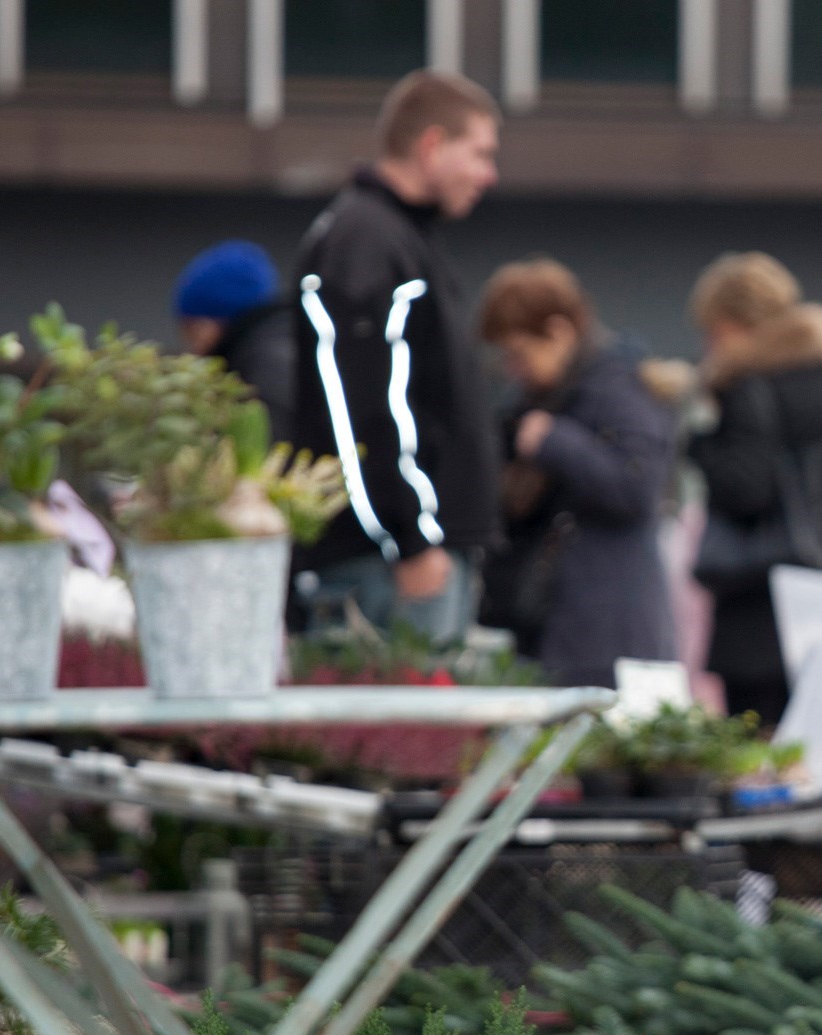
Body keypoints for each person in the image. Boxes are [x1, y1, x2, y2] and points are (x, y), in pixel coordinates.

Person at [291, 70, 503, 645]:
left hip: (405, 554)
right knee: (394, 729)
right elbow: (359, 407)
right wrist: (409, 538)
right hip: (390, 563)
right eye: (480, 153)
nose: (490, 174)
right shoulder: (367, 240)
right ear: (431, 144)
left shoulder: (392, 238)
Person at [476, 259, 677, 687]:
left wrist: (555, 442)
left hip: (604, 627)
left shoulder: (617, 387)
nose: (514, 368)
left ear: (559, 331)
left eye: (519, 353)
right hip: (552, 621)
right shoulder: (539, 397)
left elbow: (637, 486)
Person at [687, 252, 822, 724]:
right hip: (821, 589)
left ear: (734, 325)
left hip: (757, 599)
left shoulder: (747, 385)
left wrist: (701, 444)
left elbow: (747, 489)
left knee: (753, 751)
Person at [173, 240, 296, 445]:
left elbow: (272, 456)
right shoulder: (281, 344)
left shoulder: (266, 364)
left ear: (207, 323)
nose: (191, 350)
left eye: (190, 330)